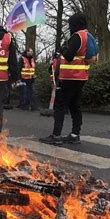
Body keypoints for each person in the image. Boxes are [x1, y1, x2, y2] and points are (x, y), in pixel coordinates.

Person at [40, 13, 92, 145]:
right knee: (75, 105)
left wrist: (62, 48)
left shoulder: (77, 36)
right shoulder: (88, 36)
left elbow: (69, 56)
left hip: (70, 77)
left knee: (60, 106)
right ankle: (75, 134)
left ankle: (56, 135)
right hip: (81, 77)